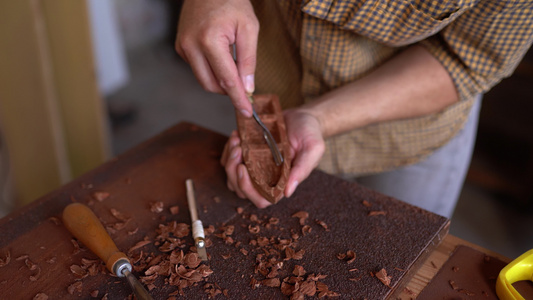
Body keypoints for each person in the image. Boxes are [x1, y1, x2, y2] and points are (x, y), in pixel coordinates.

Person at [175, 0, 533, 217]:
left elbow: (466, 58)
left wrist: (318, 116)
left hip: (411, 129)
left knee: (396, 259)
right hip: (278, 80)